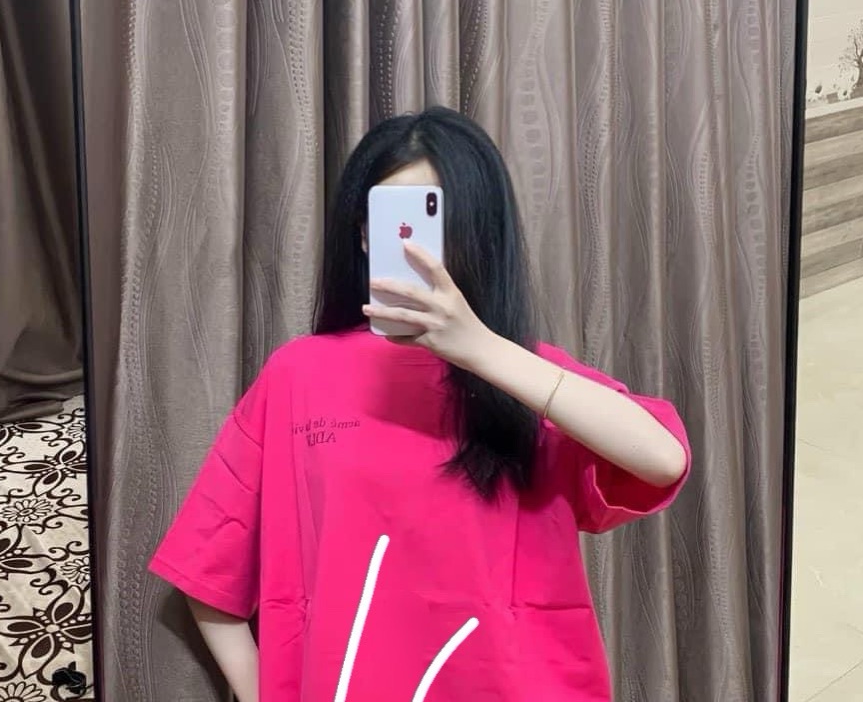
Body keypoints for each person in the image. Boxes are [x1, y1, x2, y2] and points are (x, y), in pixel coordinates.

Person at [149, 107, 691, 702]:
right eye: (391, 218)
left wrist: (483, 350)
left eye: (436, 218)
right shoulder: (298, 375)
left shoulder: (528, 375)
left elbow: (663, 459)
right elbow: (206, 565)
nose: (413, 242)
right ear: (363, 234)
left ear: (480, 231)